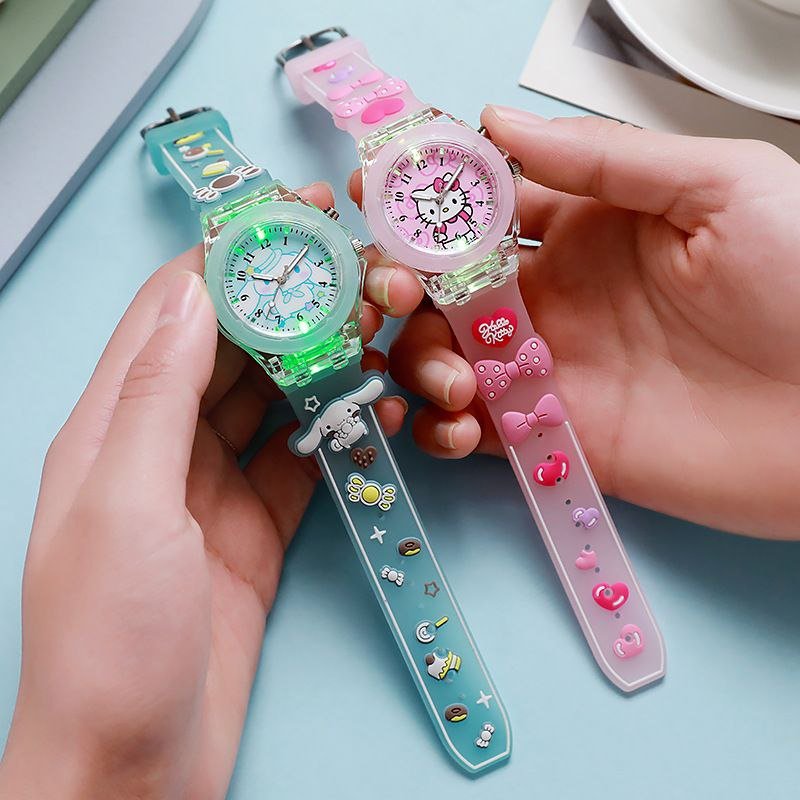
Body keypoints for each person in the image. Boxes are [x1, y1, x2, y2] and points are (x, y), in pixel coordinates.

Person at [0, 108, 798, 798]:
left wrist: (99, 769)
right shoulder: (293, 261)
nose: (279, 278)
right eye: (264, 282)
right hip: (313, 364)